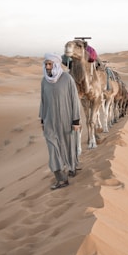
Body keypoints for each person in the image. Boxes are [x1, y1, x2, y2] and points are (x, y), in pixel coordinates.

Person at [39, 53, 81, 190]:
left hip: (66, 119)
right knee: (52, 150)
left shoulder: (67, 78)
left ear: (56, 64)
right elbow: (43, 101)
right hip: (50, 121)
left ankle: (72, 167)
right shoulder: (44, 81)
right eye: (46, 64)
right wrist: (42, 120)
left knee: (69, 146)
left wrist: (76, 121)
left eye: (50, 64)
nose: (47, 67)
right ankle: (61, 179)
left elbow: (74, 99)